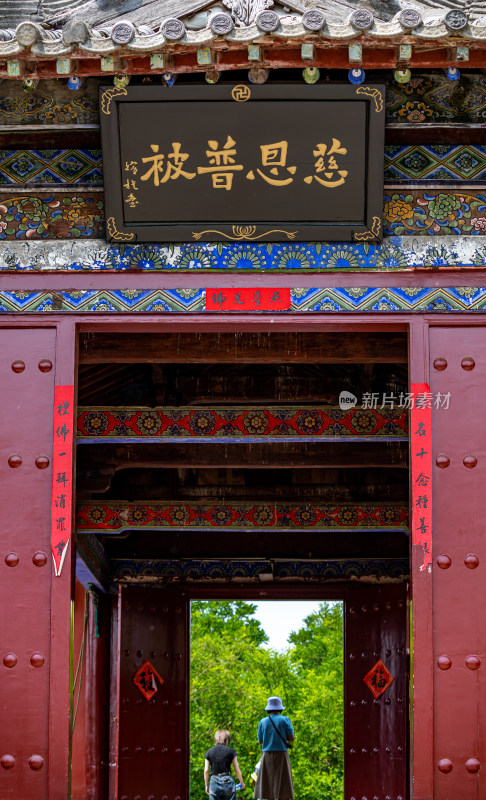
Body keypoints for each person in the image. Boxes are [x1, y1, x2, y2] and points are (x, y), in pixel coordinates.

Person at [254, 697, 294, 800]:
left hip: (267, 754)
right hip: (282, 754)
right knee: (283, 781)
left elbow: (260, 741)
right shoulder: (285, 720)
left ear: (268, 709)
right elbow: (291, 738)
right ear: (280, 708)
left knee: (267, 781)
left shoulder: (262, 722)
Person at [204, 729, 245, 800]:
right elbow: (237, 770)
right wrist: (241, 782)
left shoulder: (209, 752)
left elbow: (206, 771)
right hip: (227, 785)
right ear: (227, 740)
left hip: (214, 784)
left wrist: (206, 785)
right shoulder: (231, 751)